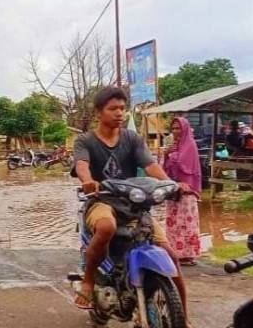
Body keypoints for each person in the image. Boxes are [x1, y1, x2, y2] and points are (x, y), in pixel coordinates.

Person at [72, 87, 192, 326]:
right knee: (106, 227)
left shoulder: (132, 138)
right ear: (99, 112)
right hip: (102, 200)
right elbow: (82, 165)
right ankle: (87, 282)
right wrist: (87, 181)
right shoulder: (85, 140)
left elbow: (150, 167)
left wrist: (171, 184)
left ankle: (184, 317)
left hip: (134, 203)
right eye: (113, 108)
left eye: (122, 108)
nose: (119, 113)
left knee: (170, 255)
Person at [164, 117, 202, 267]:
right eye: (173, 128)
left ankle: (188, 255)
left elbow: (184, 166)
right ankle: (175, 253)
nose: (175, 131)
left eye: (178, 128)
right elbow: (165, 168)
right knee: (174, 222)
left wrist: (171, 155)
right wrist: (166, 154)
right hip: (173, 190)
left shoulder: (190, 145)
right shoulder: (174, 146)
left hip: (186, 192)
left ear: (184, 129)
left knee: (187, 223)